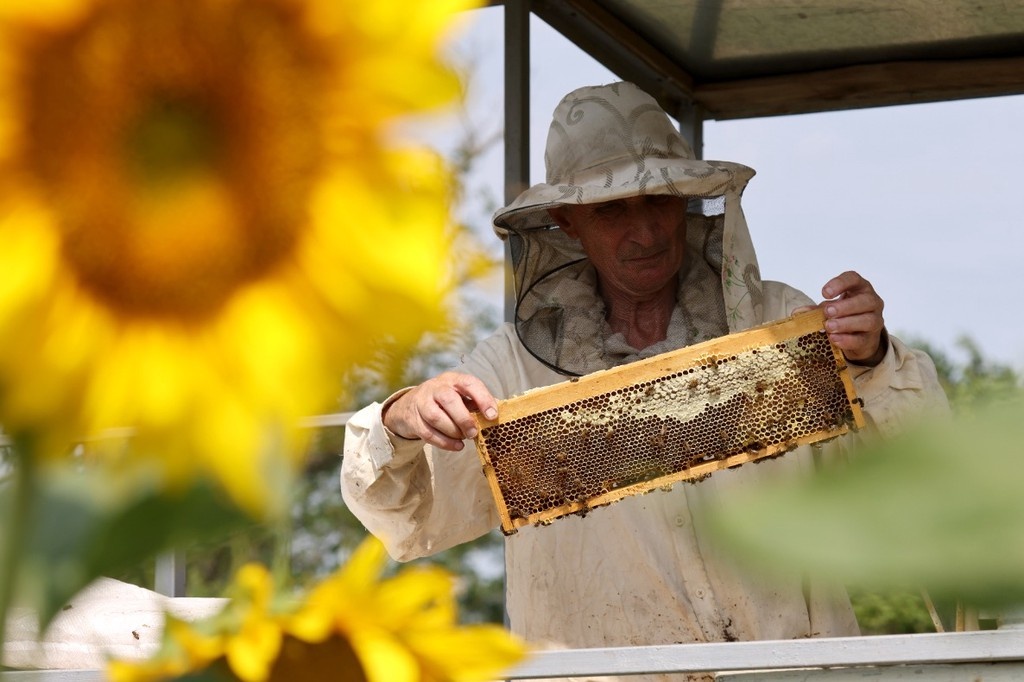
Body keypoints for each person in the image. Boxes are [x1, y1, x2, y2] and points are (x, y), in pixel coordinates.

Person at [341, 81, 947, 681]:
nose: (647, 233)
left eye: (657, 201)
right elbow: (407, 522)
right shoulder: (506, 370)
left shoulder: (778, 324)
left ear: (685, 199)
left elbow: (924, 477)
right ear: (566, 220)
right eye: (612, 210)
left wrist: (872, 359)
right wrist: (402, 418)